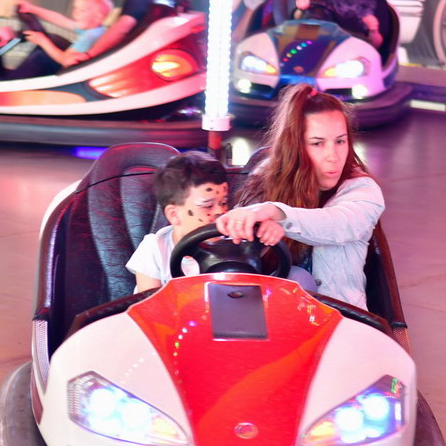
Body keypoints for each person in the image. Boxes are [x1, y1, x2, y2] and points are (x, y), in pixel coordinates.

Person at [215, 83, 385, 310]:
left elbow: (336, 224)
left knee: (297, 278)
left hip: (338, 316)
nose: (333, 156)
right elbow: (240, 247)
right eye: (317, 143)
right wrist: (255, 227)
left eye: (340, 141)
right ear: (295, 146)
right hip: (264, 312)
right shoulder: (268, 175)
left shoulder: (363, 190)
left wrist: (277, 214)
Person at [126, 151, 284, 292]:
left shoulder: (236, 239)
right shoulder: (155, 249)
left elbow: (262, 264)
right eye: (208, 206)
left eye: (223, 203)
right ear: (174, 215)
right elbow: (149, 304)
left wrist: (267, 232)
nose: (220, 212)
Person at [0, 0, 113, 78]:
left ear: (98, 17)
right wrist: (32, 8)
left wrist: (42, 41)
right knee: (53, 40)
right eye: (75, 8)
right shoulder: (95, 29)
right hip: (72, 70)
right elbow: (61, 20)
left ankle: (11, 81)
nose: (75, 13)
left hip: (66, 74)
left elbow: (64, 60)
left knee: (40, 57)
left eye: (82, 10)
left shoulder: (90, 37)